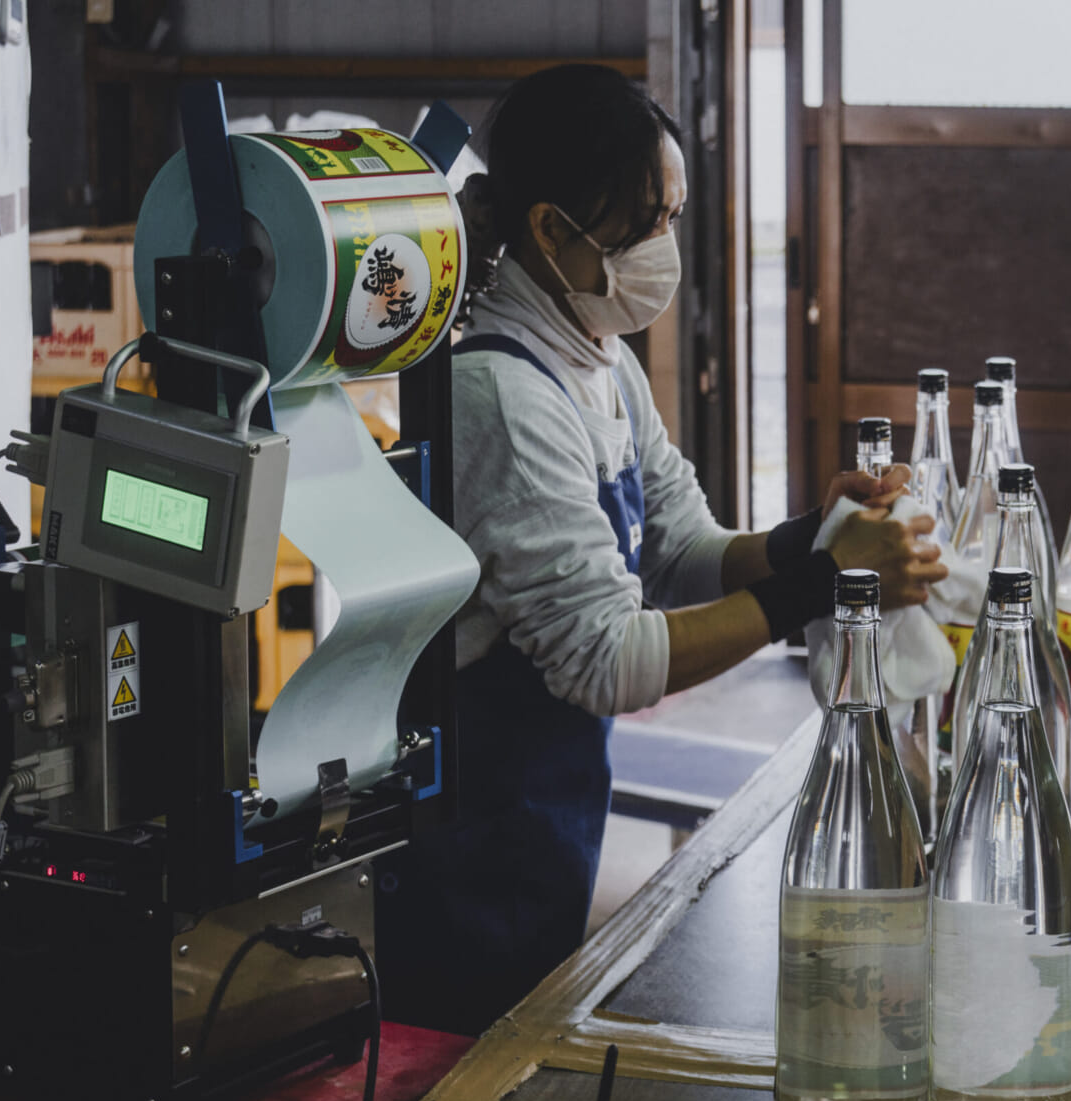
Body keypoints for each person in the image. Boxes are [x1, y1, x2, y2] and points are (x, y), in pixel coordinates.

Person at [379, 65, 945, 1036]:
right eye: (646, 223)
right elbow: (608, 661)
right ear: (551, 229)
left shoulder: (597, 360)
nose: (664, 250)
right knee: (464, 1073)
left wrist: (815, 535)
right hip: (468, 841)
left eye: (672, 218)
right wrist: (821, 582)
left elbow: (680, 546)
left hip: (542, 820)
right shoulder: (501, 399)